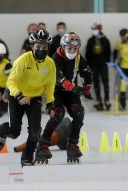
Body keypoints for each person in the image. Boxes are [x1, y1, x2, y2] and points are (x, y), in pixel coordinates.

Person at [0, 30, 56, 167]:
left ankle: (27, 157)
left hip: (34, 98)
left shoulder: (50, 64)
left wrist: (50, 103)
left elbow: (50, 86)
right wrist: (19, 95)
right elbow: (11, 81)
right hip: (17, 96)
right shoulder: (22, 60)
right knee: (15, 133)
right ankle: (4, 131)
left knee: (35, 132)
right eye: (38, 47)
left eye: (44, 47)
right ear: (32, 46)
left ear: (48, 47)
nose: (41, 50)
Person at [36, 32, 93, 164]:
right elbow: (58, 78)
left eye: (75, 48)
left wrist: (87, 89)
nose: (72, 51)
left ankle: (72, 144)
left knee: (79, 113)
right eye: (69, 48)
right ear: (62, 46)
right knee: (58, 114)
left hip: (70, 91)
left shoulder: (79, 58)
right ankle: (43, 145)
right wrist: (73, 87)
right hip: (54, 90)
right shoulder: (55, 58)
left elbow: (87, 74)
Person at [85, 23, 111, 111]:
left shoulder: (105, 40)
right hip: (93, 66)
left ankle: (107, 100)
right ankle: (99, 101)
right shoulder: (90, 40)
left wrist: (106, 61)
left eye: (95, 29)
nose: (94, 31)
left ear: (99, 29)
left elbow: (108, 51)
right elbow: (87, 53)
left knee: (105, 82)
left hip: (103, 65)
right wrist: (89, 64)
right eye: (93, 29)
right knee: (96, 83)